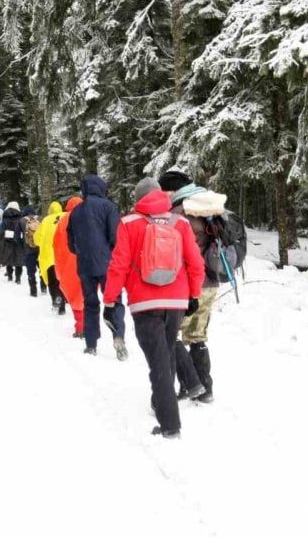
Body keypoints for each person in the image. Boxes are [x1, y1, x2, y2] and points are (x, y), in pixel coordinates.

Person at [103, 179, 205, 439]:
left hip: (144, 303)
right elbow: (195, 263)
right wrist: (194, 294)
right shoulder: (180, 223)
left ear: (139, 198)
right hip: (176, 302)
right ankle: (161, 402)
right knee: (167, 354)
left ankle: (170, 426)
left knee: (158, 362)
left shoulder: (128, 223)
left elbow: (119, 265)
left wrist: (110, 300)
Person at [159, 171, 229, 403]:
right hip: (211, 280)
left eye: (165, 191)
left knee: (173, 333)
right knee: (198, 335)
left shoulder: (179, 214)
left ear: (173, 190)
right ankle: (206, 389)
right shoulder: (210, 206)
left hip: (188, 285)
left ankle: (190, 384)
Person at [67, 175, 127, 360]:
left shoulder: (75, 212)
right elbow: (115, 237)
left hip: (84, 265)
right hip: (107, 264)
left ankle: (91, 344)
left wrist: (83, 252)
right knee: (114, 301)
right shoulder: (109, 207)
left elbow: (70, 244)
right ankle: (118, 336)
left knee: (90, 304)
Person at [54, 196, 85, 338]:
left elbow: (56, 243)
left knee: (73, 294)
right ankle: (87, 326)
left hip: (67, 262)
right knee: (85, 294)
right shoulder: (89, 217)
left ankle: (80, 325)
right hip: (86, 261)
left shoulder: (63, 220)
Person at [36, 201, 66, 314]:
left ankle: (56, 298)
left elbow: (37, 239)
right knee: (62, 281)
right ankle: (62, 305)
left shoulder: (46, 220)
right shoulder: (65, 217)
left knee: (53, 281)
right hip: (63, 256)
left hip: (49, 257)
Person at [0, 201, 26, 283]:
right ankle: (18, 278)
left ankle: (9, 276)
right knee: (18, 259)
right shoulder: (21, 219)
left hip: (7, 241)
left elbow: (0, 232)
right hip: (18, 241)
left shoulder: (4, 219)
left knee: (8, 258)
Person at [21, 206, 42, 297]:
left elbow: (17, 236)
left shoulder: (22, 221)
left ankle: (33, 290)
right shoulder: (40, 219)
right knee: (41, 268)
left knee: (30, 271)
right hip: (40, 249)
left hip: (28, 249)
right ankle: (44, 286)